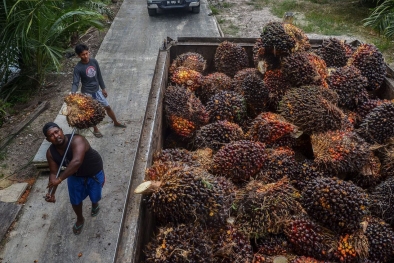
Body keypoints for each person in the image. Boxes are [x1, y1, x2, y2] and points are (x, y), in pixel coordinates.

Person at [43, 122, 105, 235]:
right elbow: (53, 173)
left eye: (57, 132)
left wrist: (60, 179)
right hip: (75, 175)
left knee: (95, 195)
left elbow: (76, 161)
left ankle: (95, 204)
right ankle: (80, 218)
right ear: (48, 140)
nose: (56, 136)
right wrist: (51, 192)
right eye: (51, 135)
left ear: (61, 130)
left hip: (93, 171)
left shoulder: (77, 139)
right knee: (75, 200)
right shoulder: (50, 153)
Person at [71, 43, 126, 138]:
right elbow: (75, 82)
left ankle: (116, 122)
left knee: (107, 107)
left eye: (87, 53)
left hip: (97, 91)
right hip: (87, 93)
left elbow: (99, 76)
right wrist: (73, 92)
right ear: (79, 56)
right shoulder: (78, 68)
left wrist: (103, 88)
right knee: (91, 112)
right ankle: (95, 129)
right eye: (83, 54)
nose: (86, 56)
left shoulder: (94, 62)